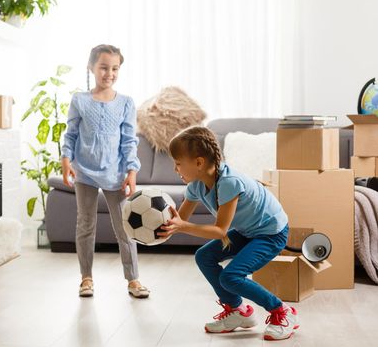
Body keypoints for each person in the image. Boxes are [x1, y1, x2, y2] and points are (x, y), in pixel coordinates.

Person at [158, 126, 298, 341]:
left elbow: (219, 230)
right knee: (204, 256)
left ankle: (282, 311)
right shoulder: (196, 185)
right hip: (248, 230)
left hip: (271, 233)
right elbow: (181, 219)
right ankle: (238, 312)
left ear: (199, 162)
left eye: (178, 163)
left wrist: (181, 226)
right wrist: (163, 229)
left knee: (231, 276)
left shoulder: (229, 183)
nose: (176, 169)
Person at [61, 44, 149, 299]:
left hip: (116, 174)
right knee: (85, 225)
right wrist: (66, 159)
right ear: (91, 67)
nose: (109, 73)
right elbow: (71, 134)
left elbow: (129, 141)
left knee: (125, 227)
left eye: (114, 68)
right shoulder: (79, 100)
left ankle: (133, 279)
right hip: (84, 172)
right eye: (103, 67)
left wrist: (132, 171)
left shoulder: (125, 103)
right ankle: (86, 278)